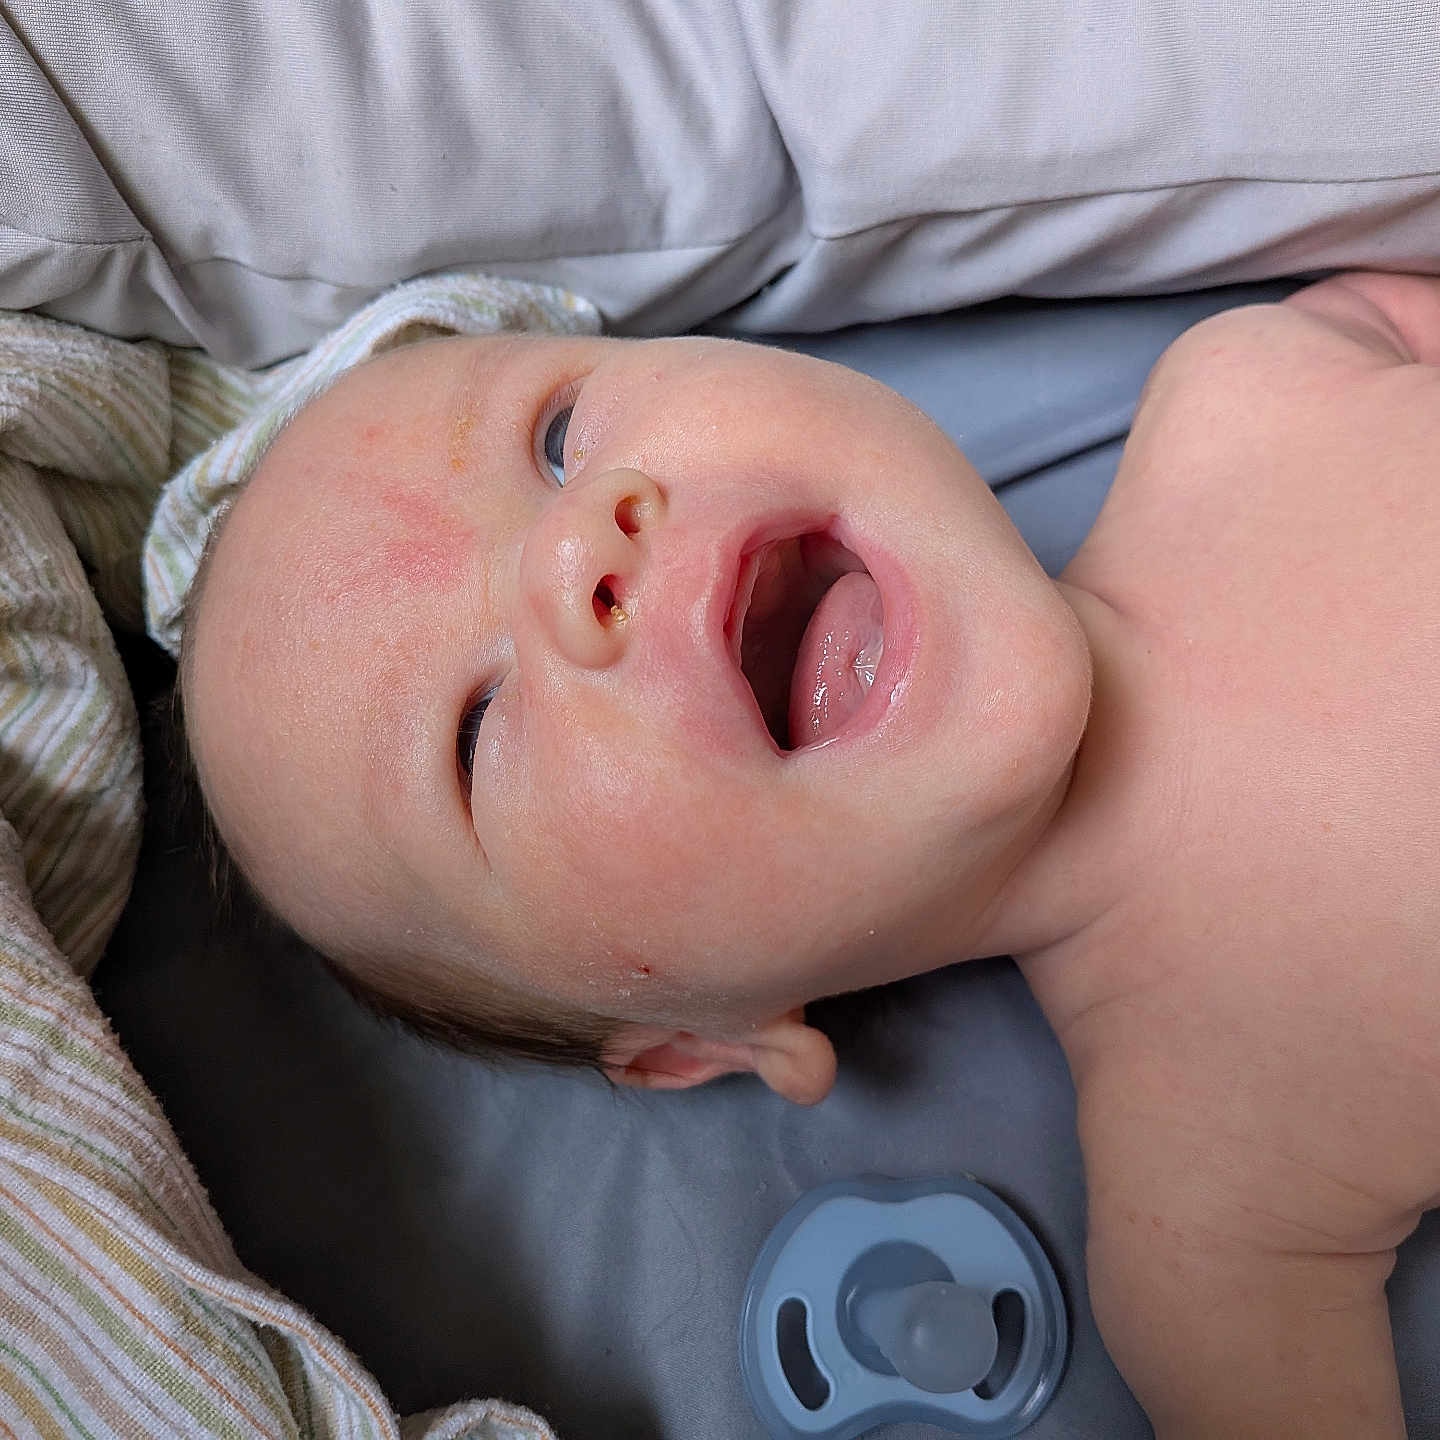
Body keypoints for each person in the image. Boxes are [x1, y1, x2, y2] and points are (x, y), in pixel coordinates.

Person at [180, 271, 1440, 1438]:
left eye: (559, 436)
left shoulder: (1259, 386)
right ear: (698, 1037)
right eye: (473, 733)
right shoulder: (1212, 1233)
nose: (579, 549)